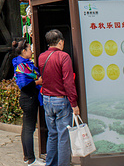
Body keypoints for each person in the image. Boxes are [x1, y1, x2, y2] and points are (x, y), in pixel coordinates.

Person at [38, 29, 79, 166]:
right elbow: (68, 82)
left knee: (52, 134)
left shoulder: (41, 57)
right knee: (63, 136)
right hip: (61, 100)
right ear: (60, 42)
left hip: (47, 99)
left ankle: (50, 163)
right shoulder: (64, 57)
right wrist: (74, 103)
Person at [12, 39, 45, 166]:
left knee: (26, 128)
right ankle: (31, 159)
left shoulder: (24, 64)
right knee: (29, 129)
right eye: (29, 49)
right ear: (24, 51)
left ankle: (27, 157)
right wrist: (38, 82)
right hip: (29, 98)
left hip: (29, 98)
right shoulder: (22, 66)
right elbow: (23, 85)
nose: (31, 51)